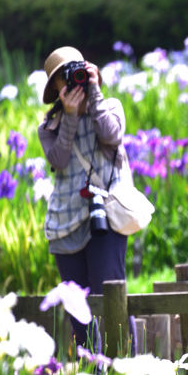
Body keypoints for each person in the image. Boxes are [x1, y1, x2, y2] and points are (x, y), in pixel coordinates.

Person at [38, 46, 135, 351]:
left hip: (104, 214)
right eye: (61, 77)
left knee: (113, 299)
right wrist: (68, 117)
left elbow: (111, 135)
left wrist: (93, 94)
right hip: (65, 222)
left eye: (76, 71)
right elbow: (60, 160)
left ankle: (127, 372)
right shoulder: (49, 126)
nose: (71, 80)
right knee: (77, 309)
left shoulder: (110, 106)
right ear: (54, 87)